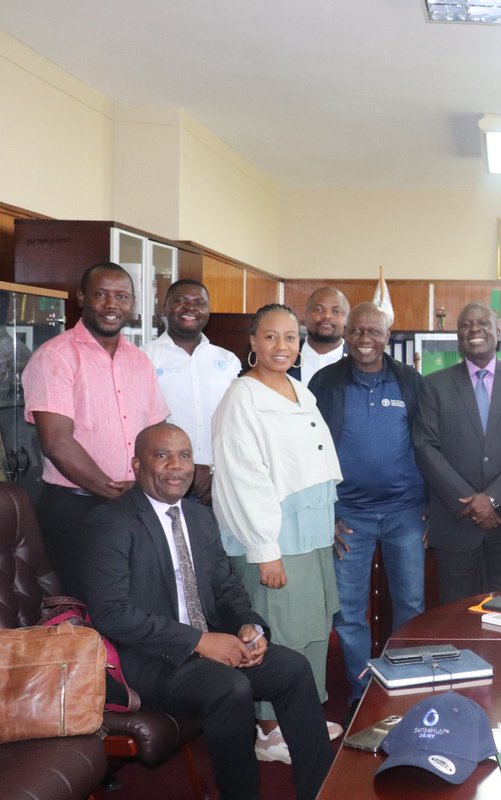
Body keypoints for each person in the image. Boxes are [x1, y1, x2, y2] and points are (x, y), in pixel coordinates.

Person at [80, 423, 333, 800]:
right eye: (162, 455)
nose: (176, 466)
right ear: (136, 464)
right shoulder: (112, 523)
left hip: (206, 648)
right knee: (229, 687)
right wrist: (199, 641)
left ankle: (321, 790)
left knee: (293, 668)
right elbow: (112, 613)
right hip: (149, 662)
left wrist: (249, 627)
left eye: (184, 456)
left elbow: (227, 588)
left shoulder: (199, 517)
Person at [212, 303, 343, 760]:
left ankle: (300, 713)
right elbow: (244, 480)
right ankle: (269, 731)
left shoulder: (298, 390)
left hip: (311, 536)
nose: (281, 346)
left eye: (290, 337)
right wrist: (264, 550)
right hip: (273, 541)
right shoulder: (242, 398)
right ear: (251, 342)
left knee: (310, 627)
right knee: (277, 632)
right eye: (270, 337)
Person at [22, 262, 169, 596]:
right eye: (101, 294)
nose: (111, 304)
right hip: (76, 508)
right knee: (90, 609)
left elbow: (156, 431)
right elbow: (57, 443)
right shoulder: (55, 356)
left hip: (135, 502)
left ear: (132, 305)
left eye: (121, 296)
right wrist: (116, 491)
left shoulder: (139, 360)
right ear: (81, 297)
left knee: (137, 601)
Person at [309, 302, 426, 710]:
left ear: (387, 336)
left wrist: (427, 507)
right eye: (357, 331)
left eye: (373, 332)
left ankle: (403, 684)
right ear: (346, 333)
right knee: (349, 613)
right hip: (348, 516)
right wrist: (325, 513)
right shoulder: (326, 382)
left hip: (404, 513)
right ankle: (362, 694)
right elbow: (310, 452)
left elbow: (427, 447)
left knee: (411, 605)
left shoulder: (410, 382)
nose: (364, 340)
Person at [412, 302, 501, 604]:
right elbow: (426, 447)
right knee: (456, 613)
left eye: (483, 323)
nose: (475, 330)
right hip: (456, 522)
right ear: (458, 337)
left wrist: (494, 500)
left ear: (498, 333)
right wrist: (471, 503)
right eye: (466, 325)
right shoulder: (434, 385)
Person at [143, 278, 240, 504]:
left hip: (222, 480)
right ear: (165, 307)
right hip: (166, 481)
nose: (190, 308)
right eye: (181, 301)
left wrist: (215, 470)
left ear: (208, 310)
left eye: (199, 302)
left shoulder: (227, 360)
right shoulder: (145, 357)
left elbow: (237, 423)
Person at [290, 286, 349, 386]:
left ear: (346, 319)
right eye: (319, 309)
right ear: (306, 315)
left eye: (336, 311)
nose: (327, 316)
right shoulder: (287, 353)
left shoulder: (357, 359)